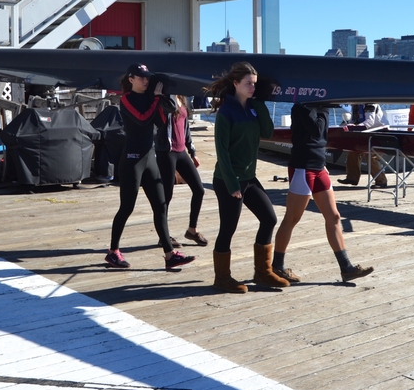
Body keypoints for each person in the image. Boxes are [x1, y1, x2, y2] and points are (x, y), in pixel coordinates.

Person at [208, 62, 289, 293]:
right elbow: (221, 152)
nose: (252, 87)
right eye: (248, 84)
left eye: (254, 84)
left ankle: (263, 273)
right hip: (227, 179)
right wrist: (233, 183)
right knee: (228, 228)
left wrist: (260, 103)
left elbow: (268, 132)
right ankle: (222, 277)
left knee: (269, 218)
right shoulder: (226, 112)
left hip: (249, 177)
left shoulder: (253, 107)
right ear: (235, 84)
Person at [105, 64, 195, 270]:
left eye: (147, 78)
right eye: (141, 78)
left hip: (149, 158)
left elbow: (160, 122)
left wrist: (163, 99)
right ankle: (113, 252)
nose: (145, 81)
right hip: (132, 159)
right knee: (127, 207)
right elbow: (143, 119)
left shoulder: (149, 98)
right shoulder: (126, 99)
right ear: (131, 79)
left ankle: (170, 255)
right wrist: (155, 99)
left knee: (161, 207)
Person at [273, 103, 374, 283]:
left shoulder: (320, 108)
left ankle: (346, 268)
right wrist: (325, 107)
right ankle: (277, 266)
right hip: (303, 167)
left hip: (319, 167)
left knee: (334, 217)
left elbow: (322, 137)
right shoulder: (302, 107)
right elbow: (317, 130)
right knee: (292, 218)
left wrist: (325, 107)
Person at [155, 94, 207, 248]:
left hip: (181, 152)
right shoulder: (163, 99)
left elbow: (186, 126)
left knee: (199, 190)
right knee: (166, 196)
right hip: (166, 152)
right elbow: (165, 114)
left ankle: (192, 230)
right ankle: (163, 237)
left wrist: (193, 152)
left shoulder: (182, 98)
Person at [337, 103, 388, 188]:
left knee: (370, 155)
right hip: (366, 133)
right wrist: (348, 125)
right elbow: (354, 120)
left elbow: (369, 122)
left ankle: (381, 181)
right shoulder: (355, 106)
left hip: (380, 133)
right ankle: (352, 178)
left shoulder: (370, 104)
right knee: (353, 151)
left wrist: (356, 126)